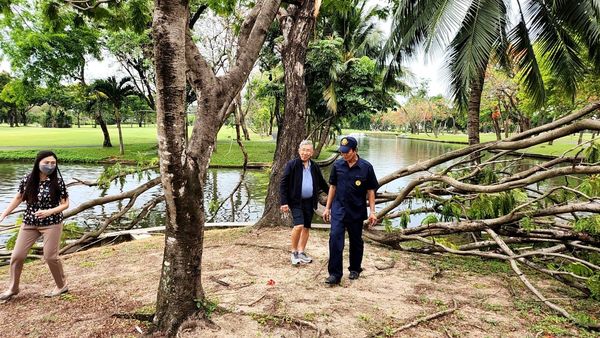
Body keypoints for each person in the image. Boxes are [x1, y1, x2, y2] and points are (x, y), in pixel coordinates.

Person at [0, 150, 70, 300]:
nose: (50, 166)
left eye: (53, 163)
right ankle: (13, 288)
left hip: (52, 223)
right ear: (38, 163)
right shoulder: (28, 179)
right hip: (30, 222)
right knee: (17, 256)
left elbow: (65, 204)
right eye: (46, 163)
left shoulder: (57, 181)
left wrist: (49, 212)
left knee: (50, 256)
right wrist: (5, 213)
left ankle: (61, 285)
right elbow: (19, 197)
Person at [322, 136, 378, 284]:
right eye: (342, 152)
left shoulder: (366, 167)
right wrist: (327, 208)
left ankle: (354, 268)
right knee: (335, 239)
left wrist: (372, 211)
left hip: (356, 210)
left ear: (354, 150)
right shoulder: (338, 166)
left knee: (355, 241)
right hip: (338, 209)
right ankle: (335, 274)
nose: (344, 154)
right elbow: (332, 187)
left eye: (347, 152)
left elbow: (371, 191)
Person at [280, 140, 329, 265]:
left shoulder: (314, 166)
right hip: (296, 201)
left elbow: (323, 183)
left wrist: (333, 194)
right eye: (303, 150)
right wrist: (284, 202)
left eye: (308, 150)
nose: (305, 153)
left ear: (312, 152)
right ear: (299, 151)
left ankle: (302, 252)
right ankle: (294, 252)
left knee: (306, 227)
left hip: (310, 202)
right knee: (299, 225)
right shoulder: (292, 165)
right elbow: (283, 184)